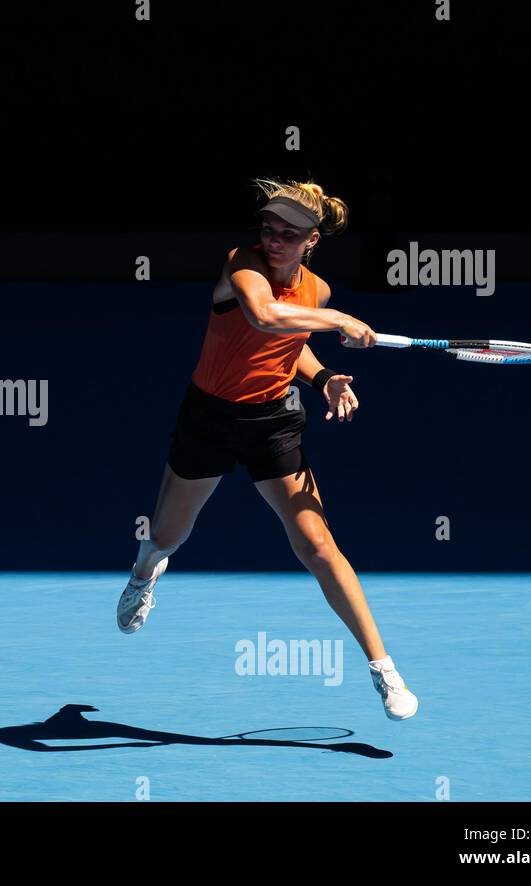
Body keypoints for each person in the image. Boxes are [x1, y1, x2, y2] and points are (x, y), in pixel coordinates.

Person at [116, 178, 418, 721]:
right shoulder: (243, 265)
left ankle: (384, 670)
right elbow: (263, 318)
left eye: (289, 234)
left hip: (274, 420)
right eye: (269, 228)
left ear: (312, 241)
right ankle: (145, 572)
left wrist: (323, 376)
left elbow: (288, 346)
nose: (274, 240)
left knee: (317, 544)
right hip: (209, 418)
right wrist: (339, 321)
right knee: (167, 534)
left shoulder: (317, 291)